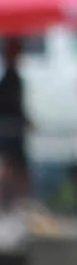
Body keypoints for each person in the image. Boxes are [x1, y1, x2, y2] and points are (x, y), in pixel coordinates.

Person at [0, 38, 28, 210]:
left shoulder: (11, 77)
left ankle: (13, 205)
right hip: (10, 133)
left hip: (11, 133)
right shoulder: (10, 79)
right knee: (11, 170)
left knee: (11, 170)